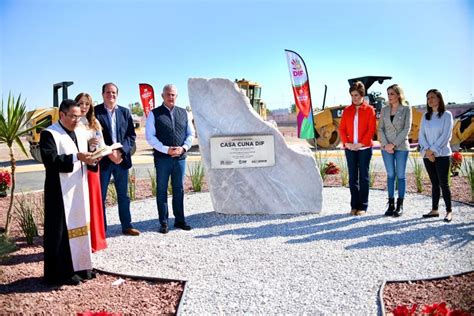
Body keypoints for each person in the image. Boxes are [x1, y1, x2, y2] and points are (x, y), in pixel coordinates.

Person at [40, 99, 98, 286]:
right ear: (61, 115)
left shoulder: (80, 133)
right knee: (60, 232)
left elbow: (85, 155)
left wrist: (93, 157)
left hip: (78, 188)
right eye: (72, 116)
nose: (76, 120)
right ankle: (60, 273)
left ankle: (81, 268)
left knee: (80, 227)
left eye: (79, 116)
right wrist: (76, 157)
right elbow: (50, 160)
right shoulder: (49, 134)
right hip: (59, 190)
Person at [145, 84, 194, 234]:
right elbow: (150, 136)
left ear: (176, 96)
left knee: (178, 189)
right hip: (162, 159)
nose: (170, 97)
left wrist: (183, 148)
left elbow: (190, 134)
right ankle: (164, 222)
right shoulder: (154, 114)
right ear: (162, 96)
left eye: (173, 95)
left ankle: (180, 220)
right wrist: (166, 150)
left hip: (180, 158)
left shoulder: (185, 113)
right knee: (161, 190)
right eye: (168, 94)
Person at [95, 83, 140, 236]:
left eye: (114, 93)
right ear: (102, 94)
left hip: (121, 160)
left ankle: (127, 226)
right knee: (100, 196)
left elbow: (131, 136)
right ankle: (102, 229)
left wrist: (121, 152)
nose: (111, 95)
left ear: (117, 95)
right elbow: (94, 137)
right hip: (104, 160)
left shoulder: (125, 112)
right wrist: (109, 152)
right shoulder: (95, 112)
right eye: (108, 92)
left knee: (124, 195)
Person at [75, 92, 107, 252]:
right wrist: (87, 145)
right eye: (80, 103)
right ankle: (82, 240)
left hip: (93, 166)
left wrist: (98, 149)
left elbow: (102, 143)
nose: (84, 107)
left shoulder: (94, 123)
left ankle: (97, 240)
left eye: (87, 104)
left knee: (94, 201)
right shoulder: (72, 122)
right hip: (78, 167)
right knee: (81, 203)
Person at [339, 81, 376, 216]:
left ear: (362, 95)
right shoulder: (347, 110)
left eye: (356, 95)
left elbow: (371, 129)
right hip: (350, 149)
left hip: (364, 148)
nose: (354, 98)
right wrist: (347, 143)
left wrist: (360, 144)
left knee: (364, 177)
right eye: (352, 95)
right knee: (352, 177)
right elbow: (342, 128)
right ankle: (354, 206)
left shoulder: (370, 110)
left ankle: (363, 206)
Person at [418, 89, 454, 222]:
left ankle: (449, 211)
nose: (430, 100)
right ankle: (434, 210)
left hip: (443, 154)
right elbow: (421, 135)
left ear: (439, 98)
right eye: (428, 98)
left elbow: (446, 136)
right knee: (434, 183)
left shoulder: (446, 115)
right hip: (427, 155)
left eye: (432, 97)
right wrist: (427, 151)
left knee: (444, 183)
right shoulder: (425, 116)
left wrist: (433, 151)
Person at [378, 84, 412, 217]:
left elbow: (406, 128)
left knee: (401, 176)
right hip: (386, 147)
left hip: (401, 147)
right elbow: (380, 128)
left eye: (392, 93)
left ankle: (400, 205)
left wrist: (393, 144)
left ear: (398, 94)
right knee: (390, 175)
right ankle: (391, 204)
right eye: (388, 94)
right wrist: (386, 145)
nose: (389, 96)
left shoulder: (406, 108)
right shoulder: (385, 109)